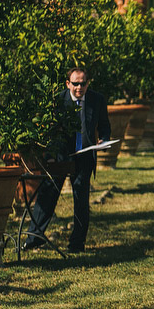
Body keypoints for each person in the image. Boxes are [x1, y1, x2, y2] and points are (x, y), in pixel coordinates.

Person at [23, 67, 110, 254]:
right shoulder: (57, 102)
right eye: (75, 83)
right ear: (68, 84)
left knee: (81, 199)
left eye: (83, 83)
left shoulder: (97, 100)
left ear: (88, 83)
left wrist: (103, 139)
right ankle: (34, 239)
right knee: (47, 195)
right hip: (60, 156)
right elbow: (49, 131)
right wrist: (51, 156)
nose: (79, 87)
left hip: (84, 156)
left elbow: (104, 126)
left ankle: (77, 244)